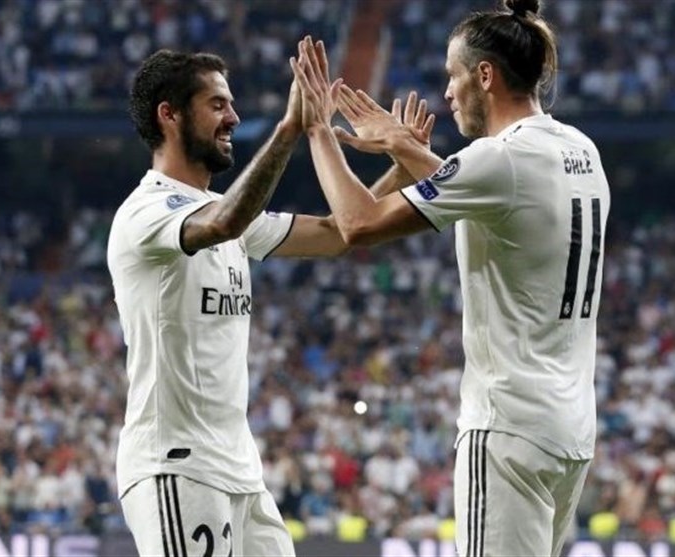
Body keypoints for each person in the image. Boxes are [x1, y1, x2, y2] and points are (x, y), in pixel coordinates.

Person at [290, 0, 611, 554]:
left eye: (452, 75)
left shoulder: (497, 159)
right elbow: (500, 203)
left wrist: (317, 128)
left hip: (507, 427)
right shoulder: (580, 149)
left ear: (485, 76)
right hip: (569, 431)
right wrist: (405, 148)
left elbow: (357, 224)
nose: (447, 92)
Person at [107, 46, 433, 556]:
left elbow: (335, 234)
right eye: (217, 104)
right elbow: (224, 224)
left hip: (239, 468)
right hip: (176, 465)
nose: (233, 117)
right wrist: (290, 129)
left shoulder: (219, 209)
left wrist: (403, 163)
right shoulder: (147, 213)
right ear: (169, 115)